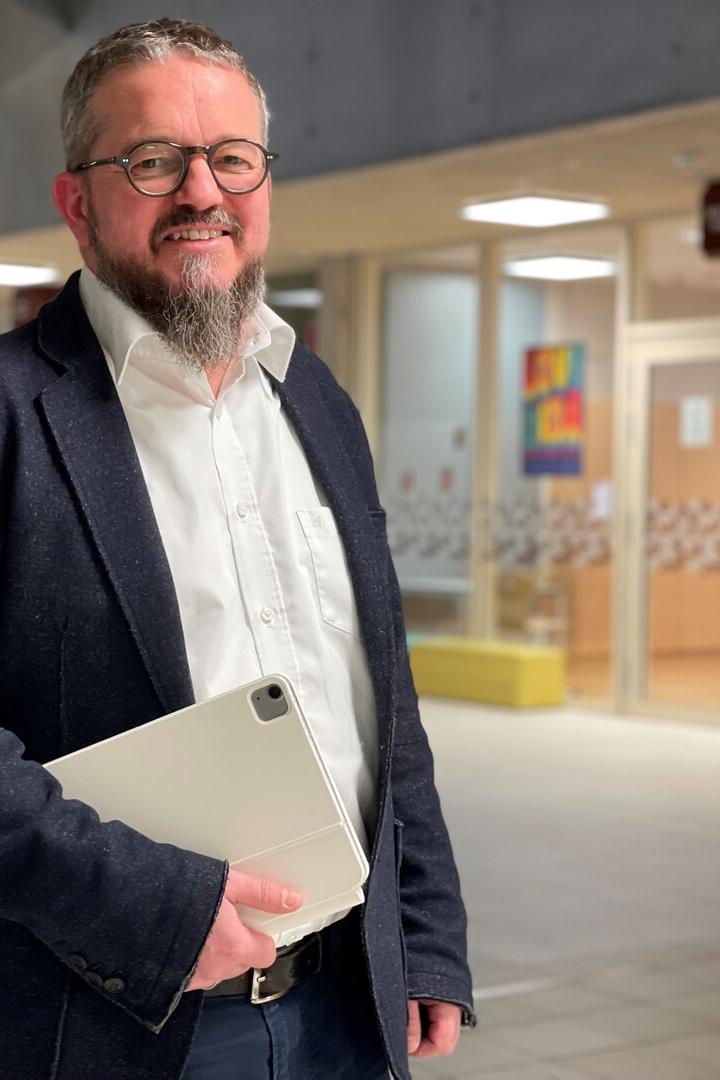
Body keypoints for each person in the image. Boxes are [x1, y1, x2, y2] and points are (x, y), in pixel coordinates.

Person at [0, 18, 474, 1080]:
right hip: (109, 1022)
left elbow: (379, 689)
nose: (201, 192)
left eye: (233, 159)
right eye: (154, 160)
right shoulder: (12, 414)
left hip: (347, 1002)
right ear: (78, 201)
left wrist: (426, 928)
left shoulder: (315, 400)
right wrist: (156, 910)